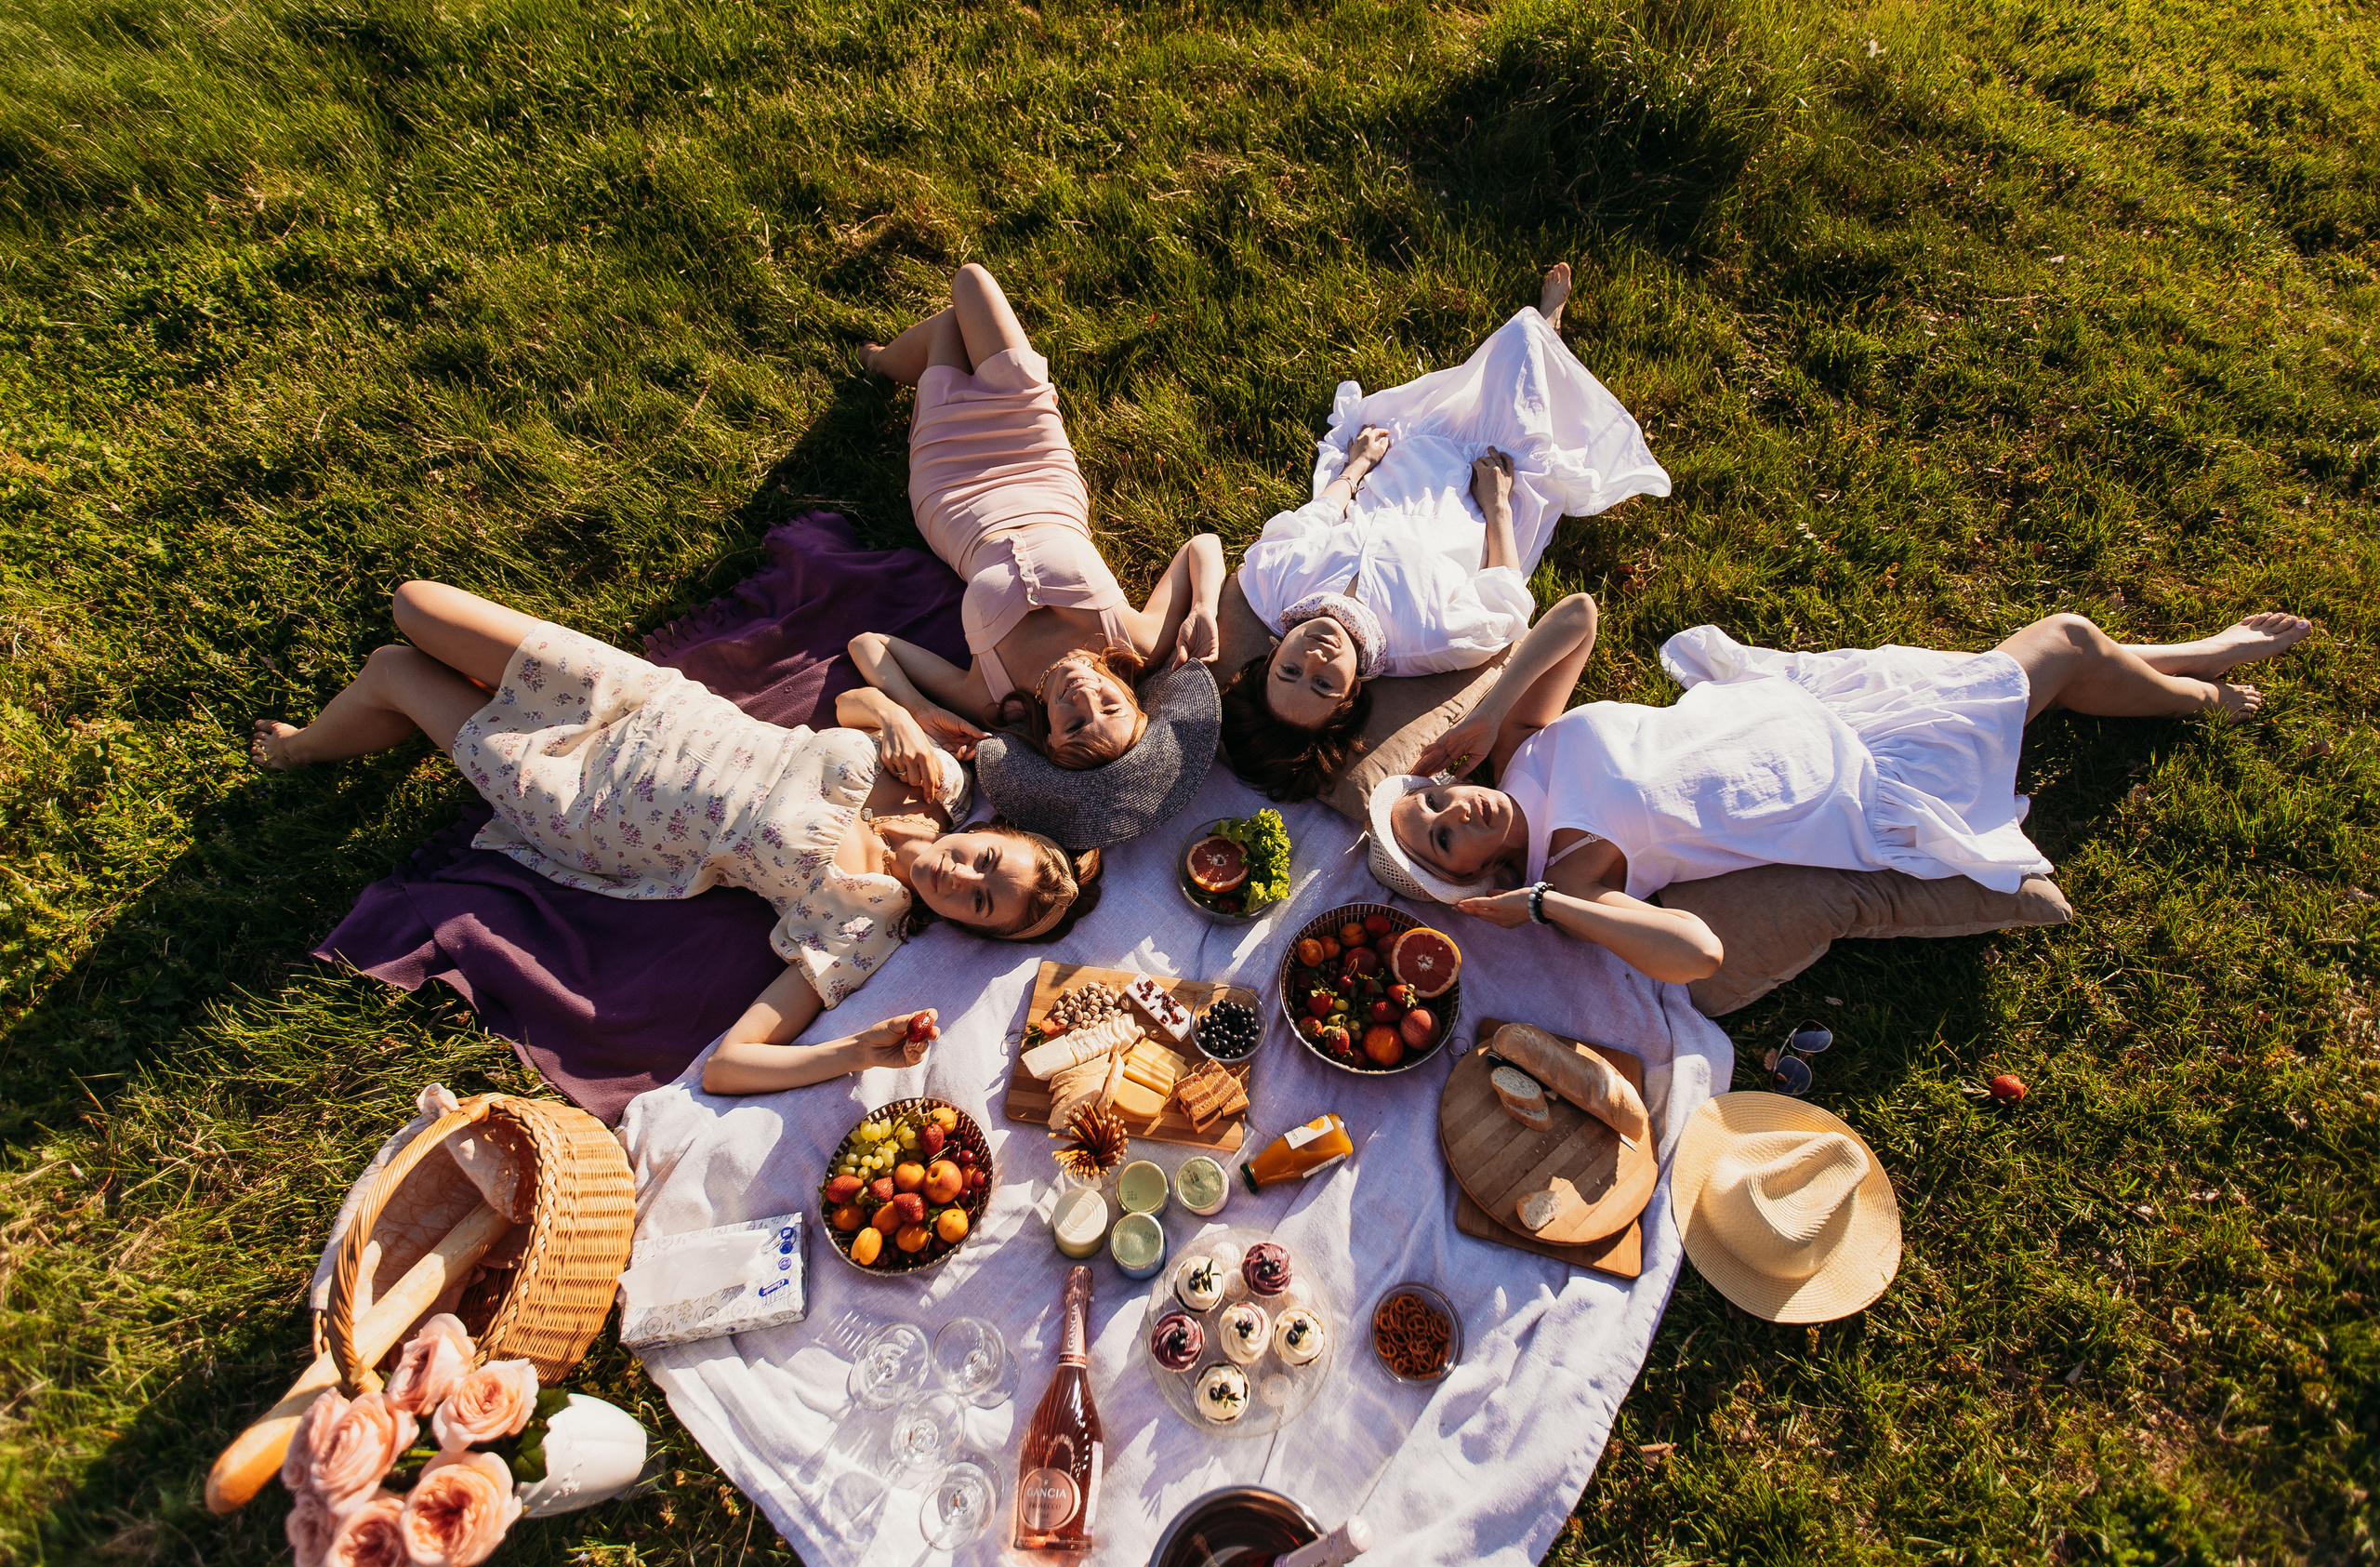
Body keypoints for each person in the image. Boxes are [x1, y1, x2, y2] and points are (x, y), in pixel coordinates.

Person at [249, 581, 1102, 1095]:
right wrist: (899, 718)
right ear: (998, 832)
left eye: (983, 904)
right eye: (991, 860)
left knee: (397, 671)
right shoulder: (942, 784)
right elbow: (848, 706)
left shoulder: (860, 928)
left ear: (968, 928)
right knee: (413, 606)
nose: (966, 875)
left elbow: (731, 1065)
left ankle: (301, 749)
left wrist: (852, 1052)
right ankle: (433, 707)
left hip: (596, 806)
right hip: (649, 704)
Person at [1364, 604, 2314, 984]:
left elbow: (1576, 617)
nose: (1457, 812)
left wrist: (1489, 712)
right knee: (2059, 644)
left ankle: (2187, 665)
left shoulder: (1523, 752)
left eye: (1435, 800)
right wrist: (1541, 904)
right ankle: (2193, 683)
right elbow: (1696, 955)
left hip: (1825, 702)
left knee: (2056, 652)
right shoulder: (1575, 870)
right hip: (1863, 779)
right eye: (1443, 841)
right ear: (1473, 877)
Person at [1222, 263, 1672, 801]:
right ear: (1349, 699)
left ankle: (1532, 356)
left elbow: (1317, 516)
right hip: (1471, 485)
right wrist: (1499, 503)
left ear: (1271, 656)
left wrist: (1357, 465)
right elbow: (1505, 595)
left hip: (1398, 464)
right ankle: (1548, 325)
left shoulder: (1270, 587)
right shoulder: (1434, 641)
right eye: (1322, 683)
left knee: (1492, 370)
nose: (1315, 656)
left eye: (1290, 670)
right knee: (1522, 340)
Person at [849, 262, 1224, 781]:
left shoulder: (991, 696)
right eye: (1110, 709)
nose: (1085, 699)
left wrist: (916, 709)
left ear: (1047, 734)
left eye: (1074, 726)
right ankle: (891, 361)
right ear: (1133, 700)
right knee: (971, 282)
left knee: (946, 331)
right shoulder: (1137, 641)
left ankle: (883, 363)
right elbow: (1202, 544)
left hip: (952, 489)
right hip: (1037, 456)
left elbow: (868, 645)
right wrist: (1204, 607)